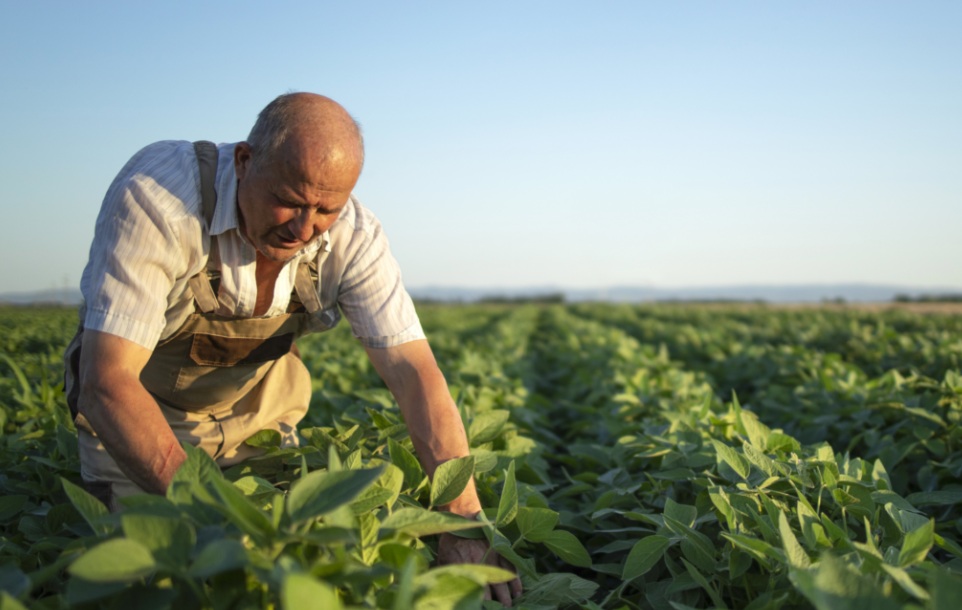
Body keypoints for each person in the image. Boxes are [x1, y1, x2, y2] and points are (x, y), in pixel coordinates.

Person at [63, 92, 522, 605]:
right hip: (140, 420)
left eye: (326, 209)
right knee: (159, 578)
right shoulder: (159, 199)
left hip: (258, 415)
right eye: (290, 199)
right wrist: (222, 522)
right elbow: (106, 385)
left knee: (296, 575)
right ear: (244, 161)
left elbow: (414, 374)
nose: (304, 229)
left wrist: (459, 522)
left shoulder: (355, 236)